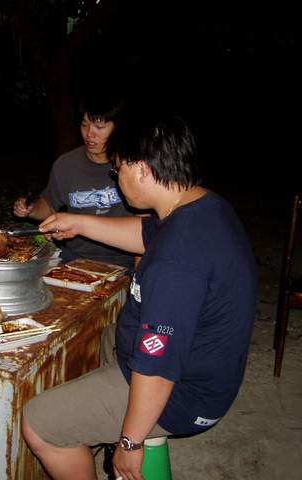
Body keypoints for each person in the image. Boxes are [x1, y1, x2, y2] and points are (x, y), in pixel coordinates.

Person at [20, 114, 257, 480]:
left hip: (185, 393)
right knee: (109, 335)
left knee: (40, 422)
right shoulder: (200, 205)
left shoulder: (176, 258)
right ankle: (104, 426)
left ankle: (114, 435)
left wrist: (130, 443)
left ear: (142, 170)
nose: (117, 178)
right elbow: (146, 232)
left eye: (118, 170)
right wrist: (78, 222)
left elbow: (157, 366)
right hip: (204, 365)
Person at [13, 92, 137, 269]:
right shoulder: (66, 164)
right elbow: (49, 205)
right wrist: (31, 209)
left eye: (99, 127)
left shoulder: (133, 166)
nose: (89, 134)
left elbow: (147, 227)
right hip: (75, 258)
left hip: (123, 261)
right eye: (84, 125)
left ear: (118, 127)